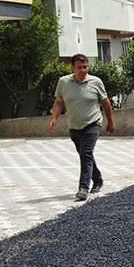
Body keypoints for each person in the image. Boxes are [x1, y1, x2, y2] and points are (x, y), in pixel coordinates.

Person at [49, 53, 116, 201]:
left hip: (93, 123)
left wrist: (110, 121)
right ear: (72, 67)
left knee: (85, 153)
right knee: (85, 154)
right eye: (80, 67)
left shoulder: (95, 82)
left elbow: (106, 103)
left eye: (85, 67)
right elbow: (59, 102)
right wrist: (54, 118)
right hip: (74, 125)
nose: (83, 70)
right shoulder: (64, 82)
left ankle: (83, 188)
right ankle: (97, 179)